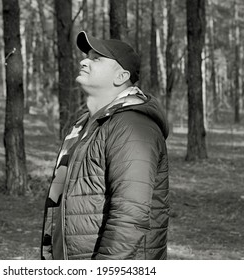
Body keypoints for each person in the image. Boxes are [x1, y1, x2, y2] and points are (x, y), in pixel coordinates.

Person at [41, 31, 169, 260]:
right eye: (86, 56)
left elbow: (130, 217)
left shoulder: (131, 126)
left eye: (96, 58)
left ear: (121, 76)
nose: (84, 61)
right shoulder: (87, 125)